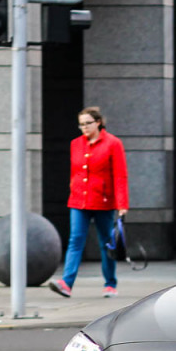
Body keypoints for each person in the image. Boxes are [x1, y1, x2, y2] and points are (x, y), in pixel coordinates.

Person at [48, 106, 128, 298]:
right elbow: (75, 172)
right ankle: (66, 283)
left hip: (103, 201)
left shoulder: (113, 143)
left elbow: (120, 176)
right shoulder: (75, 144)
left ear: (98, 122)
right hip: (78, 201)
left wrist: (122, 204)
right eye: (81, 124)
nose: (84, 127)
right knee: (75, 240)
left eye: (88, 123)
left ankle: (110, 284)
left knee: (106, 243)